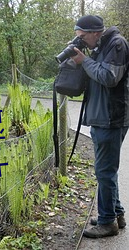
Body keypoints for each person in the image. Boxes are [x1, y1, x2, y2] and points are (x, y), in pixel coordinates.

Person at [71, 15, 129, 238]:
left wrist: (84, 61)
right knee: (106, 171)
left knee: (104, 171)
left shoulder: (117, 44)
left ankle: (107, 223)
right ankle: (116, 214)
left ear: (95, 32)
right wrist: (81, 60)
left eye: (83, 37)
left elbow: (108, 77)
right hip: (101, 117)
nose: (82, 41)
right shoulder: (100, 46)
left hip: (111, 118)